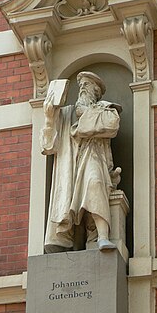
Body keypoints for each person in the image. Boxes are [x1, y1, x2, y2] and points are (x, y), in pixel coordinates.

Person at [40, 71, 122, 253]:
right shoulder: (66, 114)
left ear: (97, 91)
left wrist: (86, 114)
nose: (82, 88)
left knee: (94, 183)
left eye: (87, 84)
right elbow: (48, 146)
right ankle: (67, 239)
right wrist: (49, 117)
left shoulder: (105, 108)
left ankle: (101, 236)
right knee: (67, 198)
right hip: (69, 167)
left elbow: (111, 125)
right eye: (81, 85)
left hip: (93, 158)